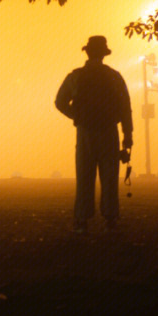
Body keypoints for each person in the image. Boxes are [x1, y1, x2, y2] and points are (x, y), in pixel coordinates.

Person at [55, 35, 133, 232]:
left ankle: (81, 220)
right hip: (109, 132)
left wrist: (77, 116)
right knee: (109, 177)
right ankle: (110, 219)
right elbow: (125, 108)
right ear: (104, 54)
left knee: (84, 177)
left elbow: (59, 102)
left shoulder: (75, 77)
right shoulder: (114, 77)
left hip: (85, 133)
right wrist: (128, 135)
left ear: (88, 53)